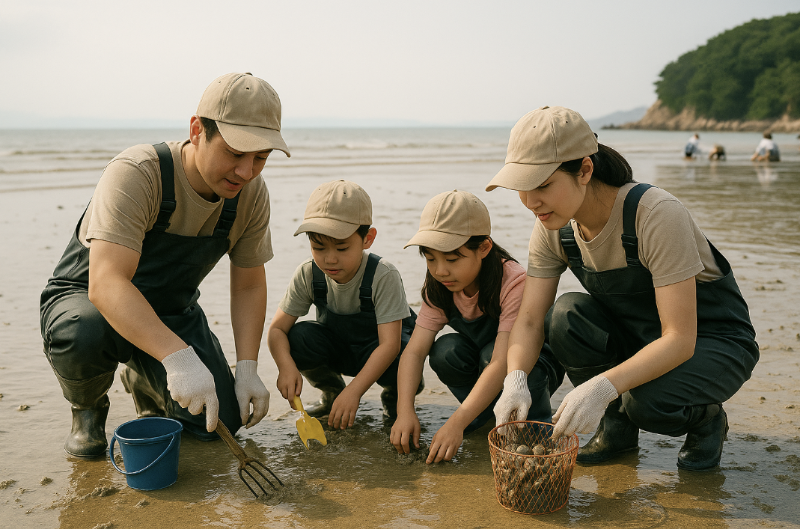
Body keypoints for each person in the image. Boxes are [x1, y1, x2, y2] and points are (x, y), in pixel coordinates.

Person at [486, 106, 759, 471]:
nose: (530, 201)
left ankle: (706, 421)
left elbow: (679, 338)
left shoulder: (655, 214)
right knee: (565, 315)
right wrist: (515, 378)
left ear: (585, 170)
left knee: (647, 403)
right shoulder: (553, 228)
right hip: (642, 337)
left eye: (543, 185)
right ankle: (617, 429)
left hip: (712, 341)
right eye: (522, 187)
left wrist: (601, 387)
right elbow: (532, 320)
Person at [39, 72, 289, 458]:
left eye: (261, 157)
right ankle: (86, 409)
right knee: (82, 331)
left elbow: (249, 285)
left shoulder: (251, 196)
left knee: (218, 422)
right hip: (89, 302)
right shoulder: (139, 172)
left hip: (171, 311)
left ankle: (145, 380)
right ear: (196, 130)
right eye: (235, 153)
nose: (246, 171)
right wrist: (180, 358)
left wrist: (248, 368)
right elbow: (106, 283)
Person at [390, 190, 563, 463]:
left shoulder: (513, 282)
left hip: (531, 368)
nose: (440, 270)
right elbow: (414, 352)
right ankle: (484, 414)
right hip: (486, 363)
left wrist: (456, 423)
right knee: (446, 350)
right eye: (430, 258)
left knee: (492, 354)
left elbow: (500, 361)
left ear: (483, 248)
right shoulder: (439, 286)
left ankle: (534, 424)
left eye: (452, 259)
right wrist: (404, 411)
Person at [267, 180, 418, 429]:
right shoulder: (308, 273)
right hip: (339, 349)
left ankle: (396, 398)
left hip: (380, 351)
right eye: (318, 247)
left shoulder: (383, 275)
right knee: (298, 336)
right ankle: (333, 393)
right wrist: (285, 366)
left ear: (367, 239)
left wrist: (356, 391)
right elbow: (276, 330)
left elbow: (389, 345)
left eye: (342, 247)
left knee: (404, 349)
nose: (330, 258)